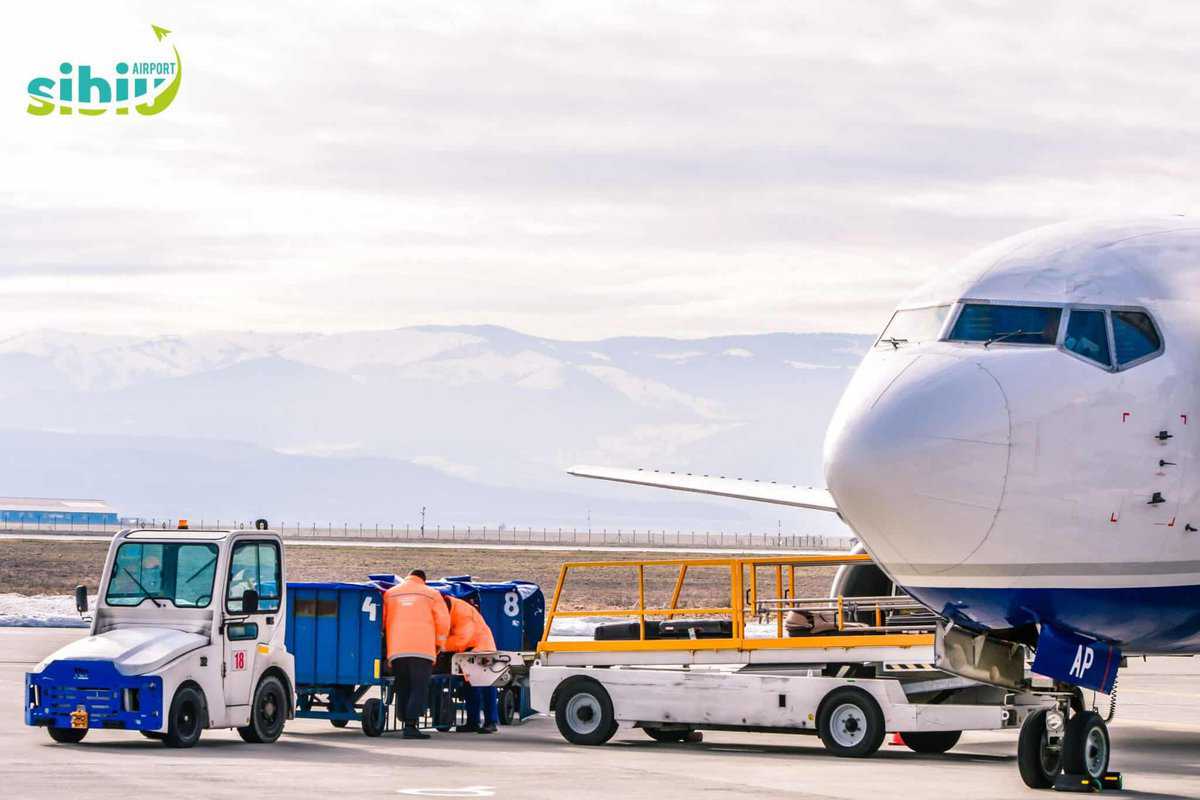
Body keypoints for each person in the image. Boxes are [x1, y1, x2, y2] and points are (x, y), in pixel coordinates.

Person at [382, 569, 450, 739]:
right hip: (422, 650)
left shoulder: (390, 594)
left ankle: (404, 720)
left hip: (397, 650)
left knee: (403, 686)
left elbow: (381, 622)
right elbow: (443, 622)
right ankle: (411, 726)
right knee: (418, 687)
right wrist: (440, 644)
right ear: (423, 580)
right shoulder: (432, 594)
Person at [442, 594, 499, 733]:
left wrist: (439, 645)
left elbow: (461, 639)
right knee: (470, 687)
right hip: (470, 652)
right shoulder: (453, 608)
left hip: (482, 650)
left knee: (486, 686)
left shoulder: (463, 612)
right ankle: (473, 722)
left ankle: (491, 722)